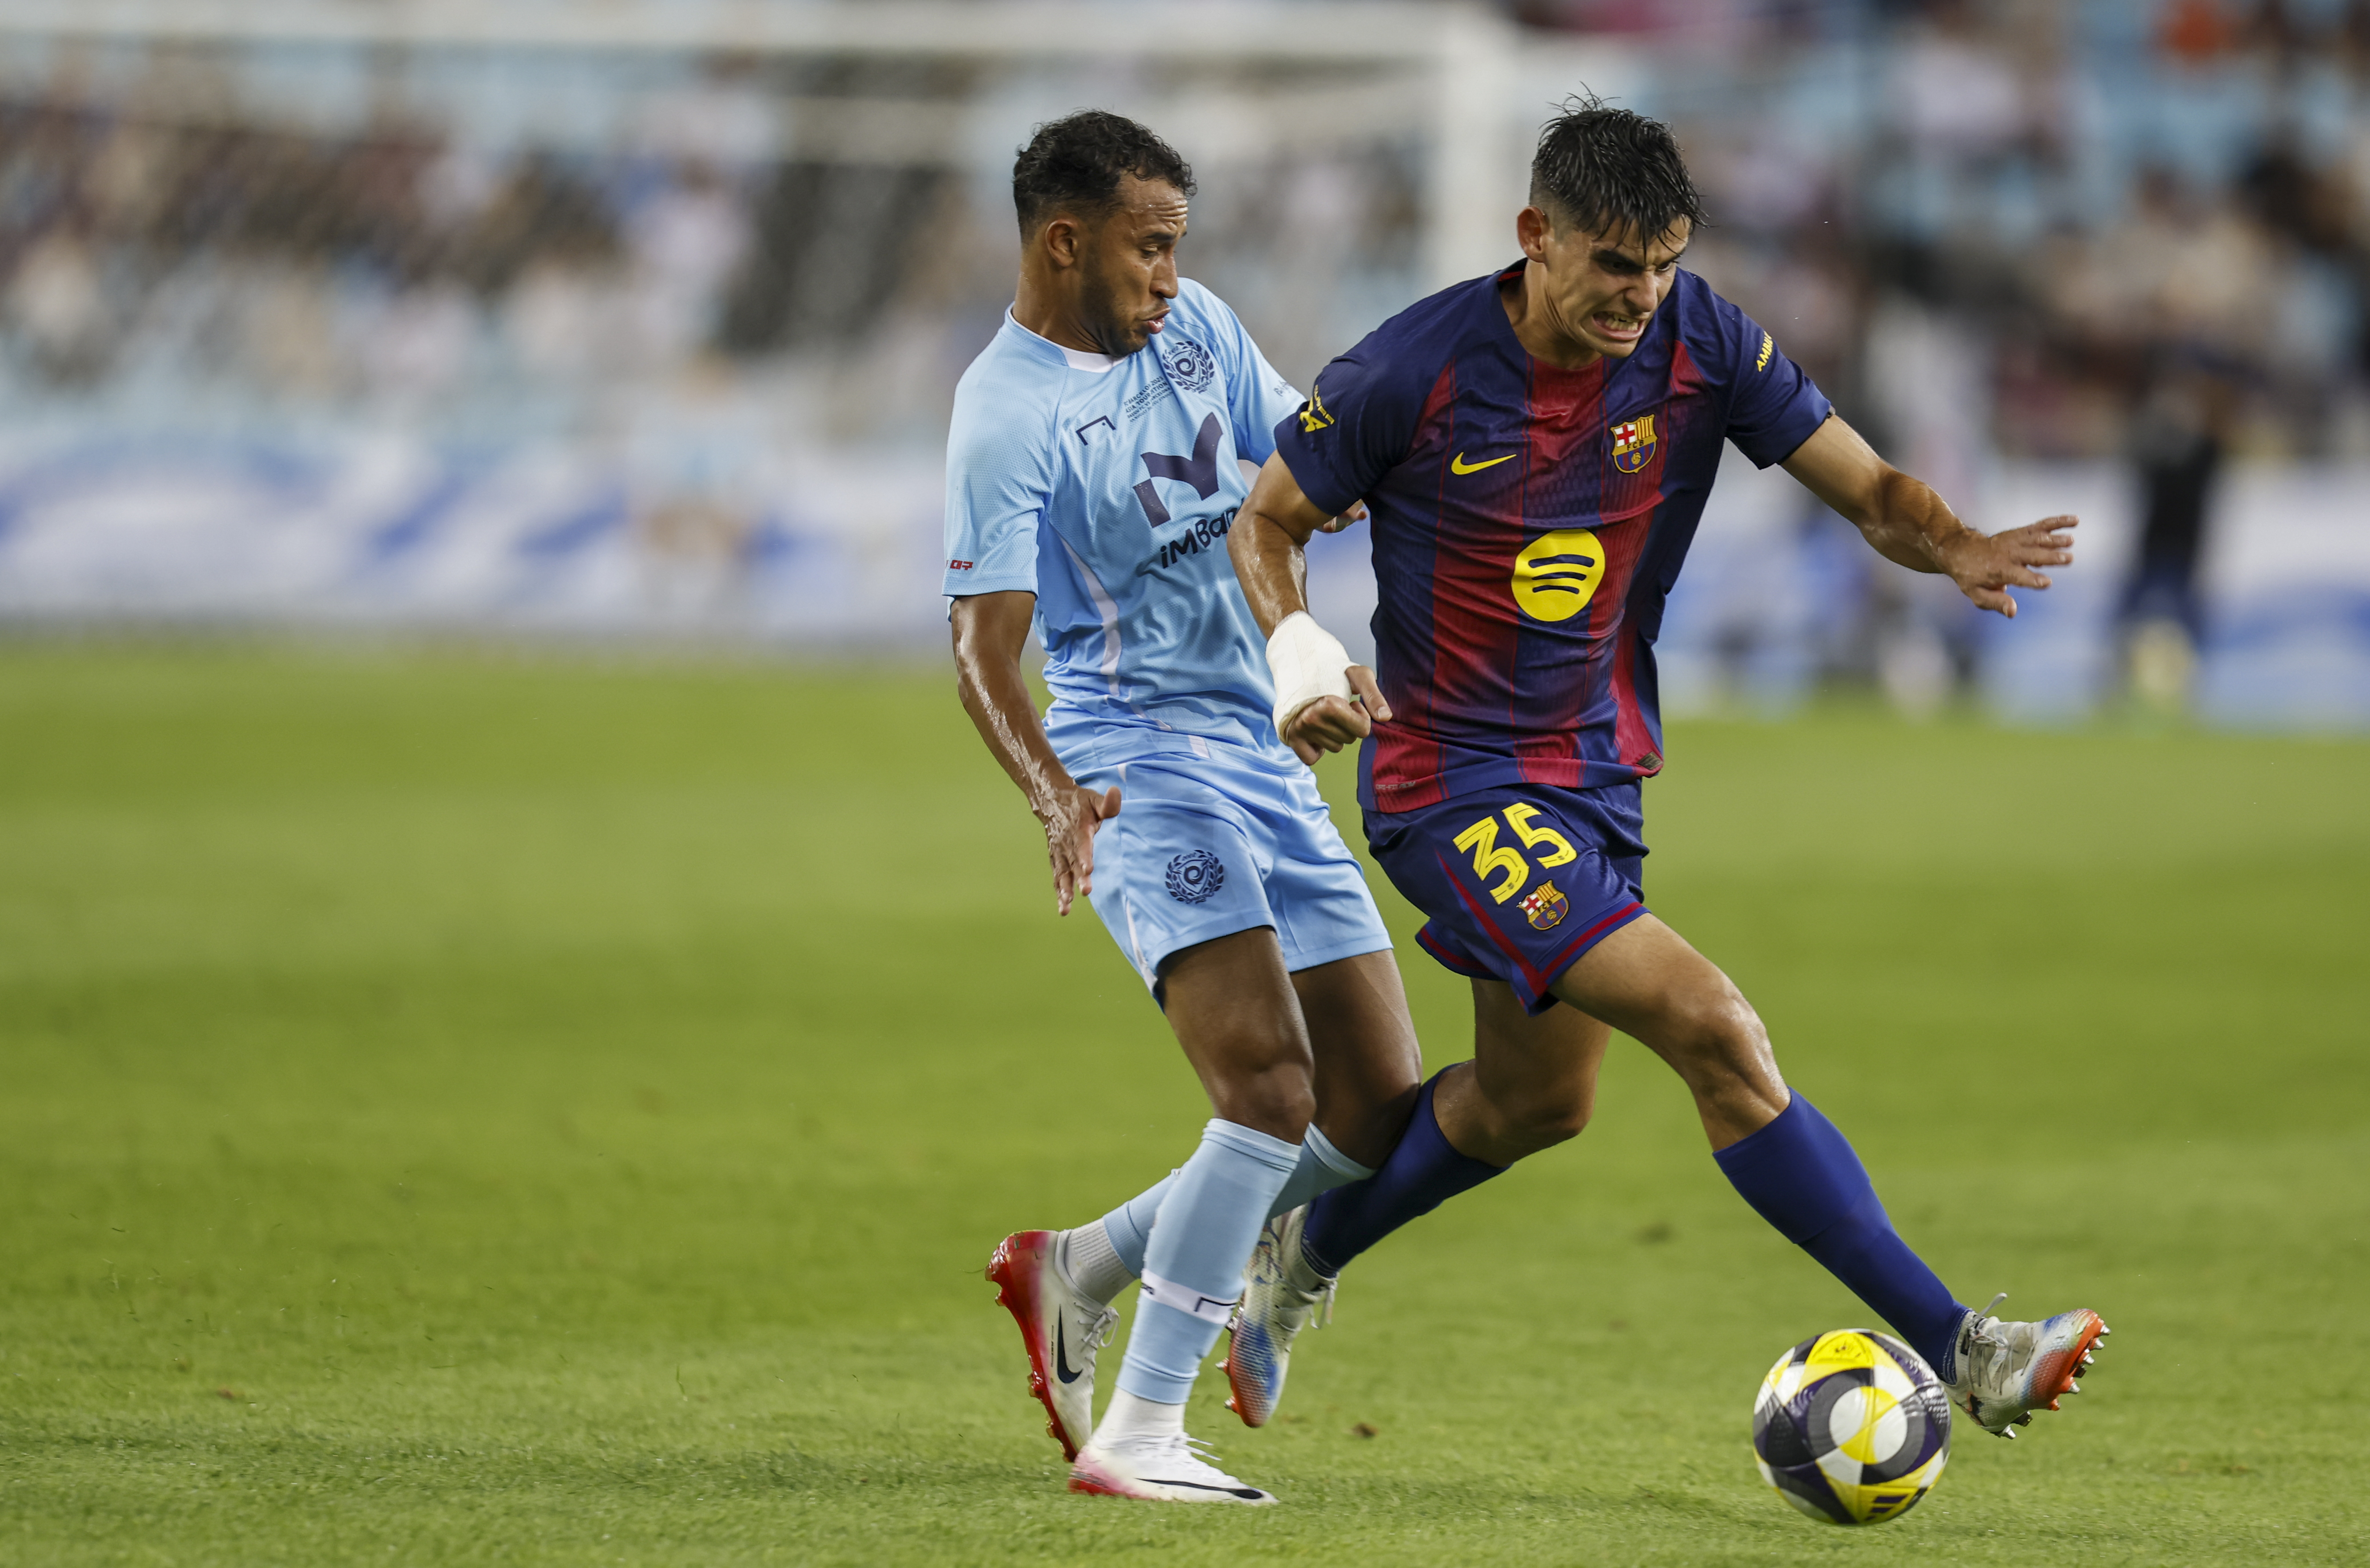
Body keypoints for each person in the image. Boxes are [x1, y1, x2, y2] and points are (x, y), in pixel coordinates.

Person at [1221, 97, 2110, 1451]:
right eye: (1613, 265)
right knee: (1712, 1027)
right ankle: (1969, 1348)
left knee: (1536, 1101)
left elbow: (1870, 493)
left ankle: (1296, 1252)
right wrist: (1295, 641)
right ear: (1536, 237)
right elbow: (1268, 520)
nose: (1640, 296)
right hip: (1446, 778)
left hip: (1591, 771)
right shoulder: (1411, 367)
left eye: (1663, 264)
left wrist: (1955, 542)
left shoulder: (1702, 340)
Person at [945, 111, 1425, 1505]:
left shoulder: (1199, 323)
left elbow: (1297, 480)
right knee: (1269, 1089)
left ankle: (1078, 1263)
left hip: (1266, 743)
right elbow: (981, 649)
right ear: (1064, 242)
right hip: (1136, 757)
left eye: (1177, 247)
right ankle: (1143, 1430)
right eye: (1149, 248)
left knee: (1377, 1103)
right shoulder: (1006, 410)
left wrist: (1317, 648)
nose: (1170, 272)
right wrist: (1052, 794)